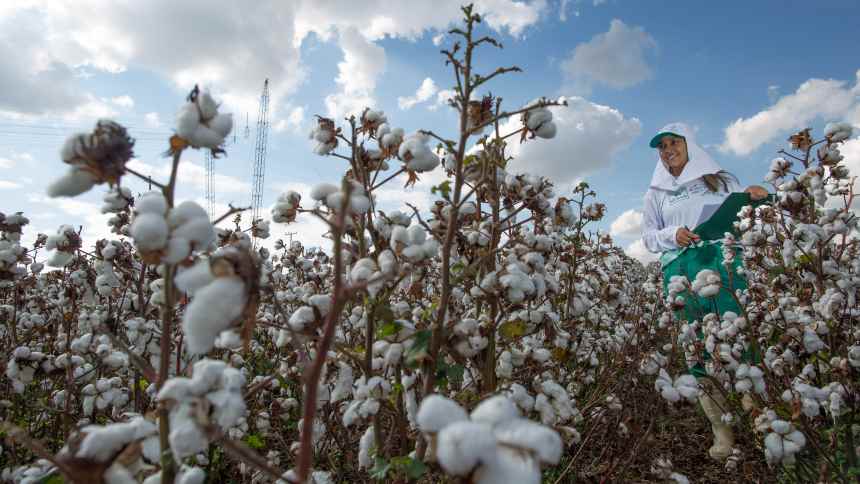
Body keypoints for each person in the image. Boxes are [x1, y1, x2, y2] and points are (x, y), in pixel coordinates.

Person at [642, 122, 767, 461]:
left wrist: (754, 198)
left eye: (673, 142)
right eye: (662, 146)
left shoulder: (722, 179)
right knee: (695, 343)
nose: (668, 149)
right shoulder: (657, 192)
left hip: (721, 261)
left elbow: (741, 217)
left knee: (738, 332)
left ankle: (757, 418)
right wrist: (674, 234)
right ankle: (721, 432)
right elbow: (649, 237)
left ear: (689, 144)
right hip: (680, 267)